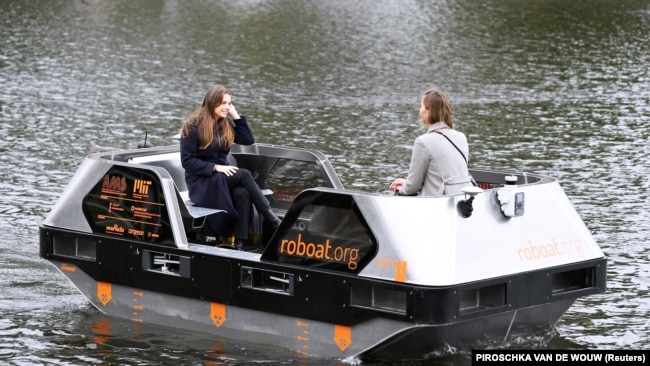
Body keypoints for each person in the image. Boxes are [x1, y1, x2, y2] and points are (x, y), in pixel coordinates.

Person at [179, 85, 281, 249]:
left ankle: (239, 242)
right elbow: (187, 162)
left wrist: (235, 115)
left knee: (242, 193)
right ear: (212, 103)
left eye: (229, 103)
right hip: (201, 182)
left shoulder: (225, 125)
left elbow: (248, 140)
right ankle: (272, 218)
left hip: (219, 178)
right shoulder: (192, 125)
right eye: (223, 103)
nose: (227, 107)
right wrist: (215, 168)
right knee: (244, 175)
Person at [389, 89, 473, 197]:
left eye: (422, 107)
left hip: (438, 204)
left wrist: (401, 188)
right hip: (464, 199)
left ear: (429, 111)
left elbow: (412, 187)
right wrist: (407, 183)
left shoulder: (423, 142)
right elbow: (441, 176)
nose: (420, 111)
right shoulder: (461, 137)